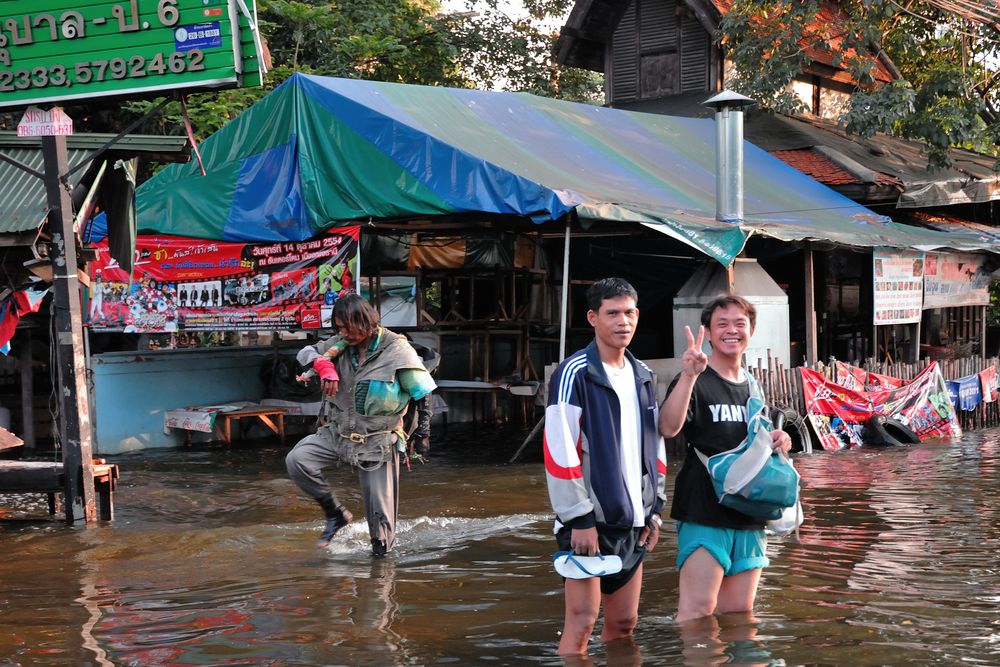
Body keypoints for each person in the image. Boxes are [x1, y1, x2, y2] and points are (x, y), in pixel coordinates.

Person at [543, 277, 667, 656]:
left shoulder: (643, 375)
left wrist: (656, 510)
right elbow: (559, 449)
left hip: (634, 523)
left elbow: (655, 446)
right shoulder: (575, 373)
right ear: (593, 318)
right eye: (612, 313)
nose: (623, 321)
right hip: (590, 523)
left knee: (624, 624)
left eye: (629, 312)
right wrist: (578, 518)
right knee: (581, 624)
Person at [659, 294, 792, 623]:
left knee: (739, 614)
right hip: (704, 510)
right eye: (722, 324)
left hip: (749, 513)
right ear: (708, 331)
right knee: (697, 612)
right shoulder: (696, 379)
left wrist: (778, 440)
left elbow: (752, 445)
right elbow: (668, 427)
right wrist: (688, 375)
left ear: (752, 330)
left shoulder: (753, 386)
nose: (731, 331)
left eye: (739, 323)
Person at [285, 293, 436, 557]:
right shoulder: (340, 345)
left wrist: (422, 434)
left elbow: (422, 393)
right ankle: (335, 514)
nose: (343, 333)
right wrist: (323, 366)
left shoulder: (396, 350)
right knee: (298, 460)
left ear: (365, 322)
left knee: (379, 518)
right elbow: (305, 352)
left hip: (377, 440)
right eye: (339, 328)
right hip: (339, 432)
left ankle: (381, 568)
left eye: (348, 327)